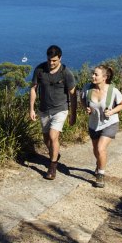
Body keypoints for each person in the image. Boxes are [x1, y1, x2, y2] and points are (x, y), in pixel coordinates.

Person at [29, 45, 77, 180]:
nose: (51, 63)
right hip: (44, 109)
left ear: (60, 58)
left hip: (60, 109)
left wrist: (73, 114)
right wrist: (31, 108)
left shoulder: (66, 73)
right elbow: (33, 89)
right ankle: (55, 154)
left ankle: (52, 166)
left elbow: (73, 94)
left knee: (52, 135)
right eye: (49, 60)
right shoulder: (39, 69)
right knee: (46, 139)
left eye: (54, 60)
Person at [80, 64, 122, 188]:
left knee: (101, 148)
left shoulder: (112, 91)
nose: (93, 76)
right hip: (94, 124)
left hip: (110, 123)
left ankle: (100, 174)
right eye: (93, 73)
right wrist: (86, 108)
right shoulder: (87, 89)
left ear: (104, 77)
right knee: (96, 150)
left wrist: (112, 111)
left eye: (96, 74)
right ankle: (99, 163)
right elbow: (82, 100)